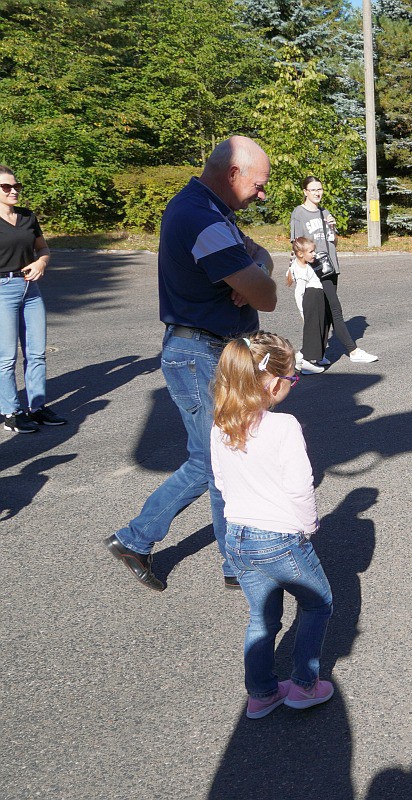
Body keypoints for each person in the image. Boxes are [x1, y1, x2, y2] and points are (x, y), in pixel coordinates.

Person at [105, 136, 278, 592]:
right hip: (198, 351)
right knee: (211, 460)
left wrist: (254, 266)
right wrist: (256, 279)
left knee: (224, 456)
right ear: (234, 174)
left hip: (212, 349)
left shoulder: (212, 211)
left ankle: (232, 563)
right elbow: (269, 295)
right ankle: (135, 539)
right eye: (258, 184)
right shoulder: (201, 218)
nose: (263, 194)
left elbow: (263, 257)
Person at [210, 332, 334, 718]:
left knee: (262, 616)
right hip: (280, 537)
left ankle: (262, 693)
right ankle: (304, 685)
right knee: (318, 604)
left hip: (237, 536)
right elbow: (300, 486)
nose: (292, 386)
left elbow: (221, 482)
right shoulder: (283, 426)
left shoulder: (221, 425)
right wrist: (308, 527)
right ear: (274, 381)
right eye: (292, 379)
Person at [0, 165, 65, 433]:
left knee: (36, 353)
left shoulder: (27, 217)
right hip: (2, 290)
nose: (14, 190)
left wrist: (42, 263)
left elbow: (43, 248)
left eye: (17, 186)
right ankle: (10, 412)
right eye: (6, 187)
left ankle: (37, 407)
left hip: (31, 290)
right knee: (6, 358)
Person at [290, 176, 377, 365]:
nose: (317, 193)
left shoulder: (325, 212)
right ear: (305, 192)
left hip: (331, 266)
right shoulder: (299, 213)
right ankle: (353, 351)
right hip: (315, 268)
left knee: (327, 313)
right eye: (313, 190)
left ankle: (310, 353)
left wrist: (332, 228)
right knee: (335, 310)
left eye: (319, 189)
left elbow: (333, 242)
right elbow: (296, 244)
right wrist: (301, 270)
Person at [286, 237, 329, 374]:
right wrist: (302, 312)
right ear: (300, 254)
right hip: (312, 297)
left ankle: (318, 356)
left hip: (317, 296)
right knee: (313, 330)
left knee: (323, 325)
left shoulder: (300, 263)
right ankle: (306, 362)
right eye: (311, 252)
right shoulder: (302, 269)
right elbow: (298, 293)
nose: (314, 254)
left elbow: (289, 272)